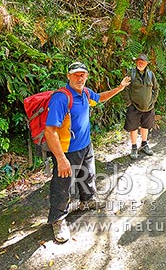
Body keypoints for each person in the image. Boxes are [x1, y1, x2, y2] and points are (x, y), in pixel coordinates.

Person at [45, 62, 130, 243]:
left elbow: (100, 97)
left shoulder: (85, 93)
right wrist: (60, 159)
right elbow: (50, 131)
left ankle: (87, 200)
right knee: (63, 186)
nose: (80, 78)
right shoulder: (61, 98)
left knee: (88, 175)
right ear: (68, 76)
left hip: (86, 145)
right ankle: (58, 219)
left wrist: (120, 88)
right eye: (76, 74)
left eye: (83, 74)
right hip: (67, 151)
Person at [124, 54, 159, 160]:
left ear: (147, 63)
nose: (140, 63)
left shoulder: (151, 74)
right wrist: (129, 103)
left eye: (143, 62)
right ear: (136, 63)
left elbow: (156, 88)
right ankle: (134, 147)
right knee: (133, 127)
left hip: (148, 107)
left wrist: (153, 101)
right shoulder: (131, 73)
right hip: (134, 106)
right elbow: (125, 89)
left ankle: (144, 144)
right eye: (139, 61)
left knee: (146, 126)